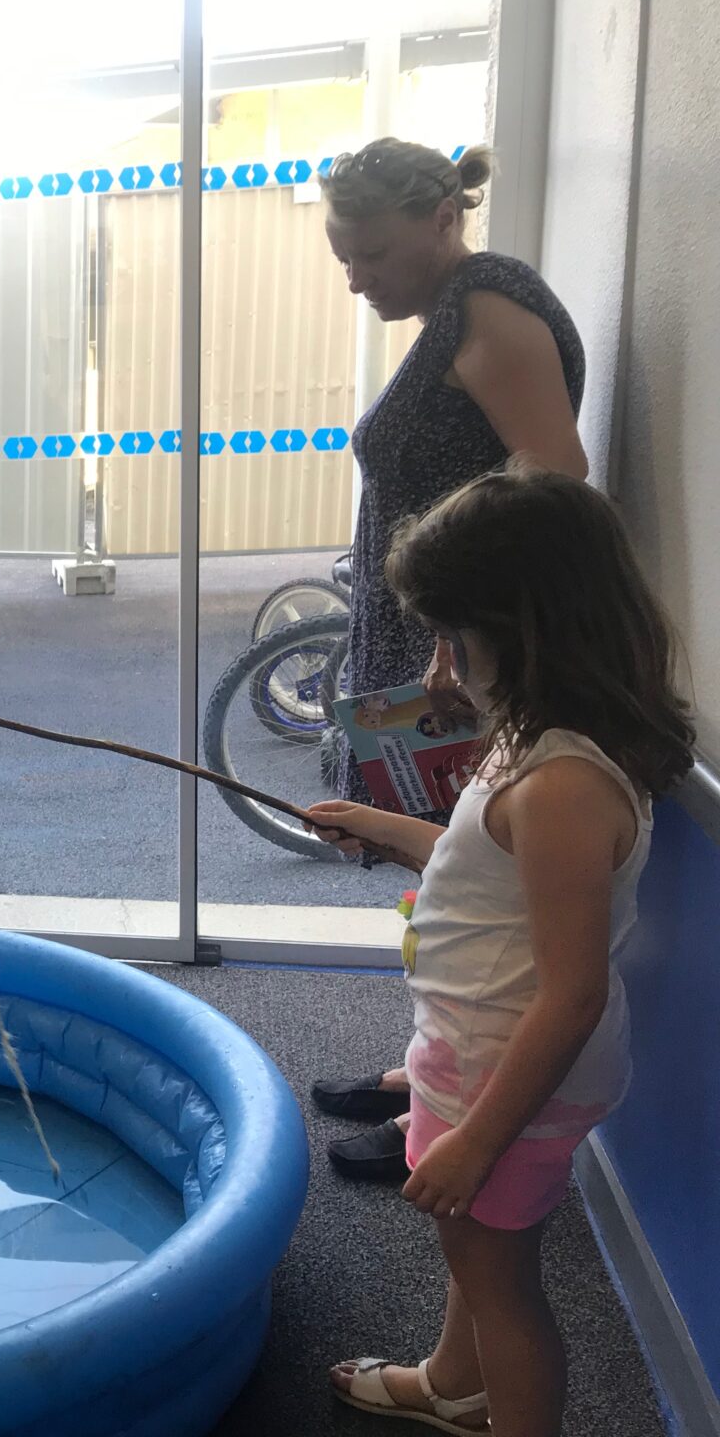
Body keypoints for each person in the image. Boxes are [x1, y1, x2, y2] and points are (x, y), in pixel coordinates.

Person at [310, 465, 691, 1437]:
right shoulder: (542, 737)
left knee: (504, 1288)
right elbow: (495, 884)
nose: (439, 666)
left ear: (517, 631)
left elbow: (568, 997)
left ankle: (501, 1407)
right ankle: (451, 1382)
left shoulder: (564, 783)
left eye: (451, 637)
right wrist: (382, 826)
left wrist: (478, 1139)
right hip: (479, 1056)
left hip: (506, 1082)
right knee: (474, 1251)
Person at [310, 139, 590, 1182]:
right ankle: (426, 1070)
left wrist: (455, 635)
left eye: (373, 254)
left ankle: (455, 1104)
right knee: (445, 876)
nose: (357, 279)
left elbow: (552, 480)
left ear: (441, 220)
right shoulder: (454, 314)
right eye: (345, 257)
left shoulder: (491, 311)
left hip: (469, 652)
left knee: (475, 895)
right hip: (447, 642)